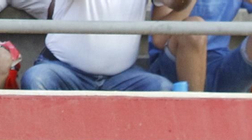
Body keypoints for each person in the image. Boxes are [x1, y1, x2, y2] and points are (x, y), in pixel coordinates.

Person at [20, 0, 194, 91]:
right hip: (63, 70)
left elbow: (176, 3)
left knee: (163, 89)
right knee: (36, 79)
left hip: (122, 77)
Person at [147, 0, 252, 93]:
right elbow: (158, 39)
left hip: (219, 67)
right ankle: (195, 112)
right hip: (175, 65)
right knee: (195, 28)